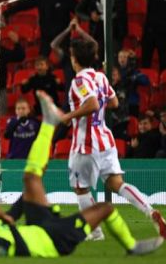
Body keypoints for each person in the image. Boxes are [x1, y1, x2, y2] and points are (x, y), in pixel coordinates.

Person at [0, 91, 164, 257]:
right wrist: (8, 224)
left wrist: (8, 216)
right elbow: (8, 251)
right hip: (53, 238)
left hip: (37, 224)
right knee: (106, 208)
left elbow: (10, 221)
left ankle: (49, 122)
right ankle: (132, 246)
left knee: (31, 179)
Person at [61, 40, 166, 240]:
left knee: (80, 187)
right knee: (117, 183)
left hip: (86, 143)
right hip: (105, 139)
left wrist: (69, 116)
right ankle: (150, 211)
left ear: (75, 59)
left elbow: (91, 104)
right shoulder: (100, 77)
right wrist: (98, 106)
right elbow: (114, 102)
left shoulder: (79, 81)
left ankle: (95, 231)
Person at [117, 49, 151, 117]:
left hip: (131, 102)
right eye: (120, 57)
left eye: (124, 57)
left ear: (129, 59)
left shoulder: (134, 71)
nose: (122, 59)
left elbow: (145, 81)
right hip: (118, 102)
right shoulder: (115, 71)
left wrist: (135, 77)